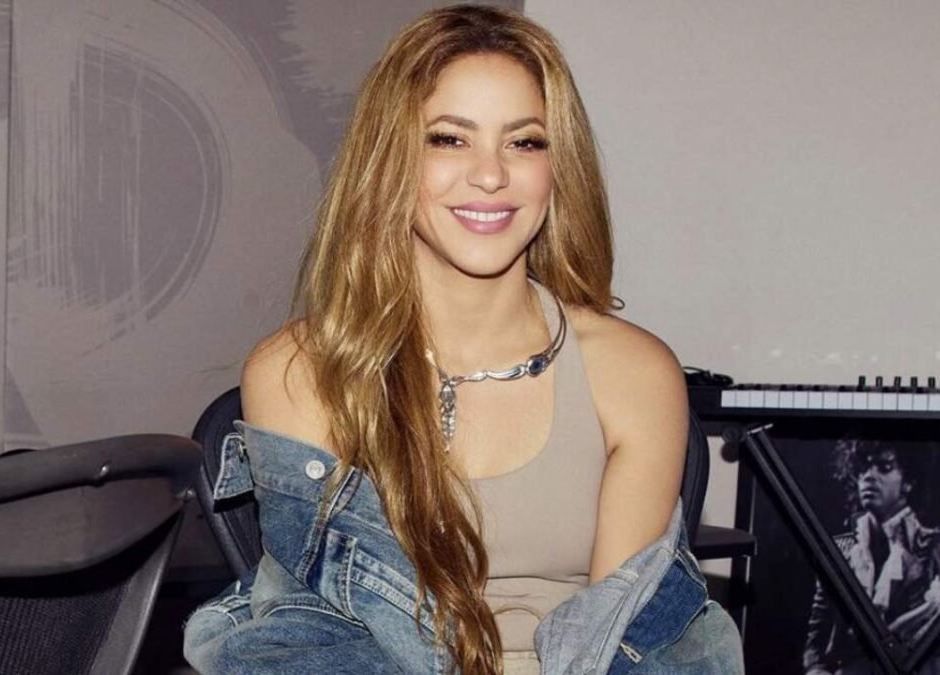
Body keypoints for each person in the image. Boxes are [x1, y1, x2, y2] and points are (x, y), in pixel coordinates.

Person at [184, 6, 742, 673]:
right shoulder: (299, 372)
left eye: (525, 142)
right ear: (390, 160)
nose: (490, 174)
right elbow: (318, 635)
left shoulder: (633, 371)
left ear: (558, 166)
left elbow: (622, 640)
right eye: (449, 139)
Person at [803, 439, 940, 675]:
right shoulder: (838, 551)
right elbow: (816, 639)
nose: (869, 476)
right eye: (862, 469)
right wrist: (816, 670)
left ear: (908, 481)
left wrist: (930, 641)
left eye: (884, 467)